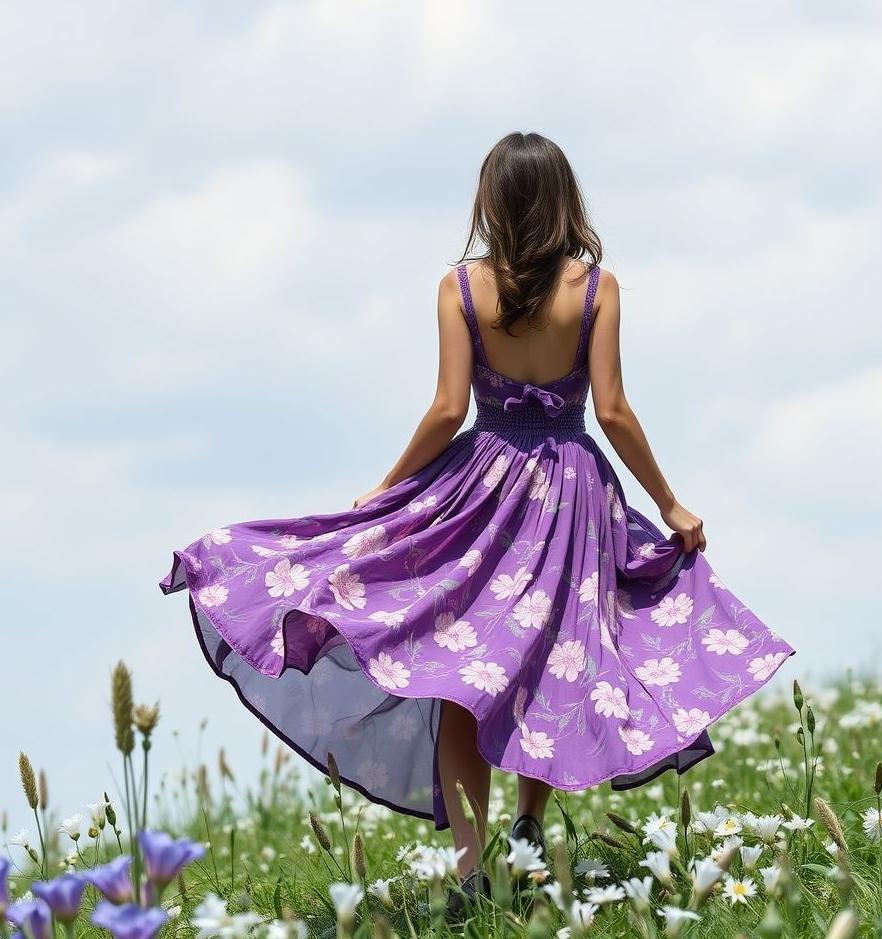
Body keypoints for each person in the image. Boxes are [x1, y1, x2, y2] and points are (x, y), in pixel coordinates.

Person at [159, 131, 795, 916]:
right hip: (570, 497)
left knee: (466, 677)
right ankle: (526, 826)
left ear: (490, 200)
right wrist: (668, 503)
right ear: (564, 200)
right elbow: (613, 411)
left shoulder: (459, 287)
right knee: (549, 664)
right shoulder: (595, 288)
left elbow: (447, 410)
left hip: (483, 493)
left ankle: (470, 865)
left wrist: (384, 490)